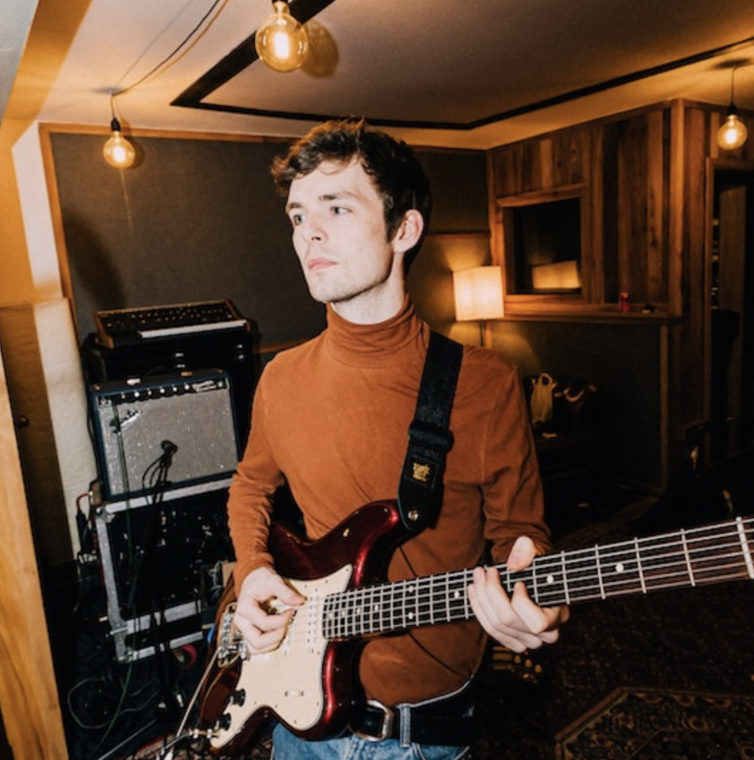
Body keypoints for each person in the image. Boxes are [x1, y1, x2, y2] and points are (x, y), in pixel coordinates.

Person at [226, 119, 569, 760]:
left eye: (336, 207)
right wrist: (252, 571)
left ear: (404, 229)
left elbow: (520, 534)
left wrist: (535, 591)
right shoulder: (280, 378)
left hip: (419, 734)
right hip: (295, 714)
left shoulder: (485, 382)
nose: (308, 233)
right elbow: (250, 486)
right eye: (298, 215)